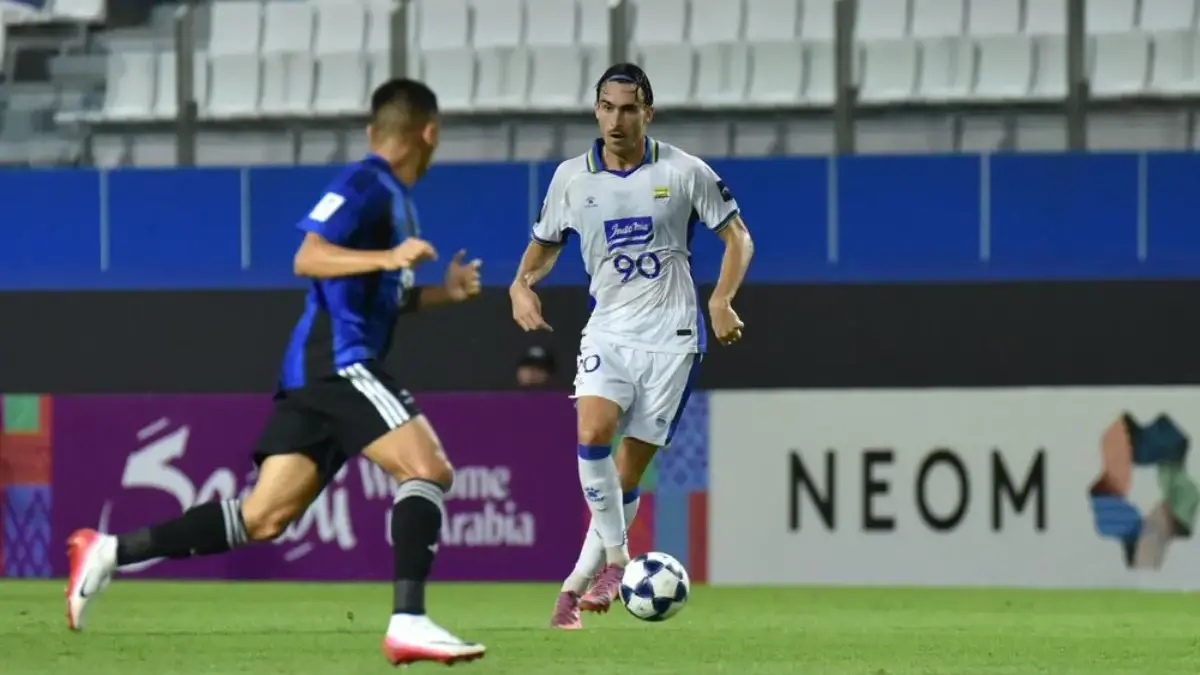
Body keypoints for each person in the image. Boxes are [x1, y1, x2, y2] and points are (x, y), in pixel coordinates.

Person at [64, 79, 488, 666]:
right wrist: (388, 256)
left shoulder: (393, 198)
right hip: (339, 365)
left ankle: (109, 550)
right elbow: (308, 256)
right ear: (430, 132)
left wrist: (443, 293)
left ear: (373, 129)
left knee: (263, 517)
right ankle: (409, 620)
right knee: (429, 470)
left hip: (316, 372)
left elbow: (376, 297)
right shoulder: (368, 183)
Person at [508, 63, 754, 630]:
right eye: (607, 107)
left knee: (624, 475)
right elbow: (545, 244)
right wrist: (521, 284)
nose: (616, 119)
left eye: (628, 108)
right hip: (609, 329)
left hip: (672, 337)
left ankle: (573, 586)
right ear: (596, 110)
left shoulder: (684, 171)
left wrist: (720, 299)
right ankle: (619, 562)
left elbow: (737, 236)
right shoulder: (572, 178)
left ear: (648, 112)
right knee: (591, 433)